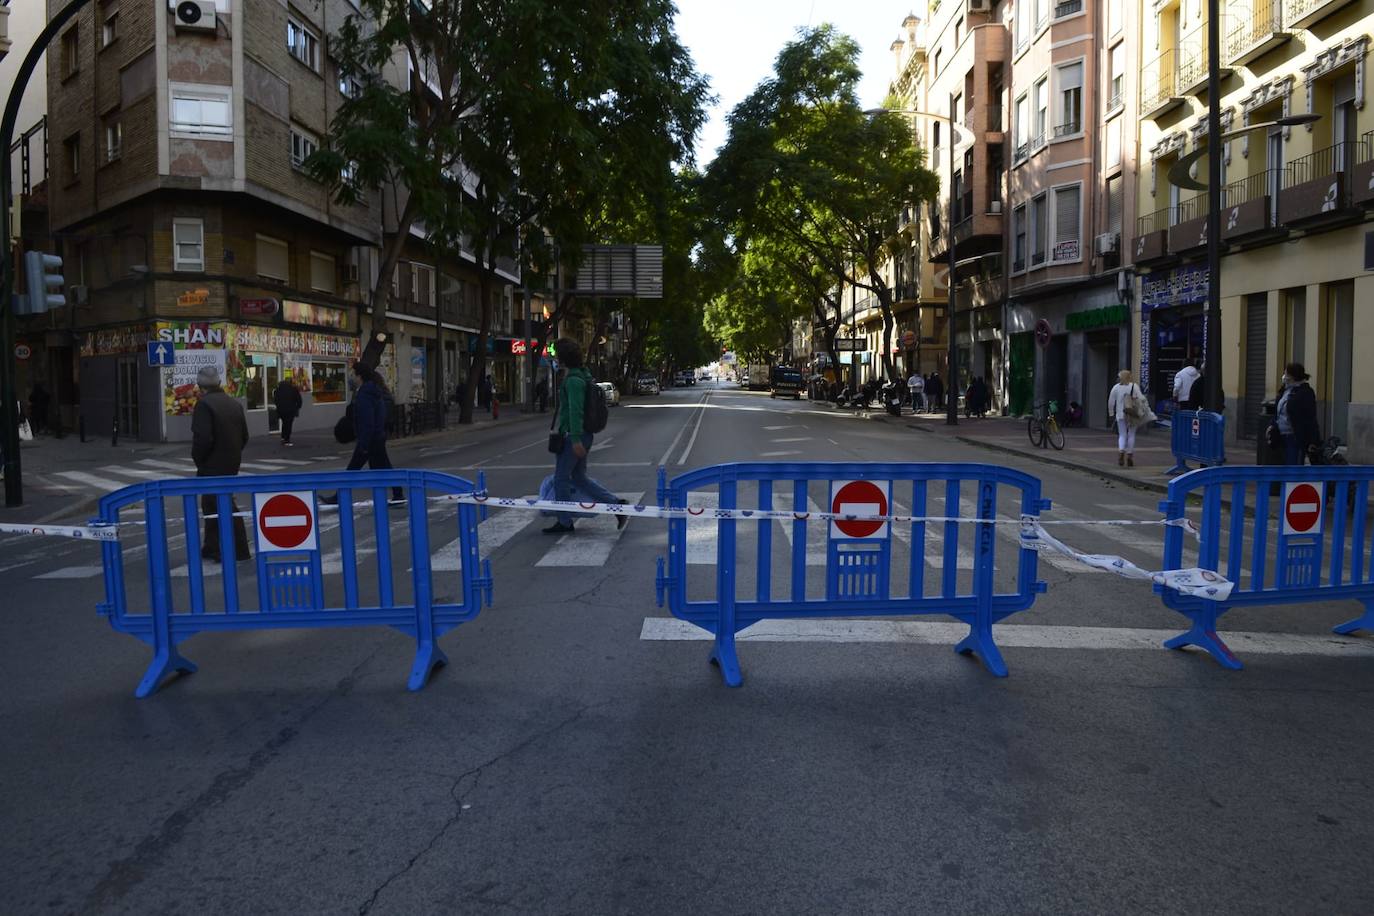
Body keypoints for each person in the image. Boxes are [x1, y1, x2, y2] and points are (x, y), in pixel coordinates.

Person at [544, 338, 626, 535]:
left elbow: (575, 411)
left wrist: (575, 439)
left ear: (564, 358)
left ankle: (564, 521)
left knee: (561, 479)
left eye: (557, 355)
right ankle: (618, 505)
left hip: (573, 437)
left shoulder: (572, 381)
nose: (555, 358)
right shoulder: (584, 376)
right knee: (579, 478)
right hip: (581, 435)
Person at [191, 365, 251, 563]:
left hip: (211, 465)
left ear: (201, 386)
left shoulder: (204, 405)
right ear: (218, 383)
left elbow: (203, 439)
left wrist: (199, 460)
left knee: (222, 505)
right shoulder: (233, 404)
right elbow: (244, 436)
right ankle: (211, 546)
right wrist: (233, 454)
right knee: (211, 504)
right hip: (231, 462)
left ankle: (239, 549)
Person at [1276, 362, 1321, 466]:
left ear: (1293, 376)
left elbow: (1310, 417)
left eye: (1286, 374)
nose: (1284, 377)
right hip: (1281, 436)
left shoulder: (1304, 392)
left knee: (1293, 465)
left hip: (1295, 437)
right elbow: (1278, 411)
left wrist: (1313, 440)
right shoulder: (1285, 390)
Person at [1107, 369, 1150, 468]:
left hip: (1120, 415)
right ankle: (1129, 455)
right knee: (1131, 434)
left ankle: (1121, 451)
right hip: (1132, 414)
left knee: (1122, 435)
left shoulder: (1116, 387)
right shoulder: (1134, 386)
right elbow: (1141, 398)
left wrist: (1111, 413)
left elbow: (1111, 401)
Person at [273, 377, 302, 446]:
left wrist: (279, 407)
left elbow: (275, 400)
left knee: (284, 423)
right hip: (290, 410)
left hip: (281, 410)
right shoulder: (293, 389)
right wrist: (297, 407)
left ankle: (283, 437)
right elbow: (299, 400)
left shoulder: (278, 390)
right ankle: (287, 439)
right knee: (288, 424)